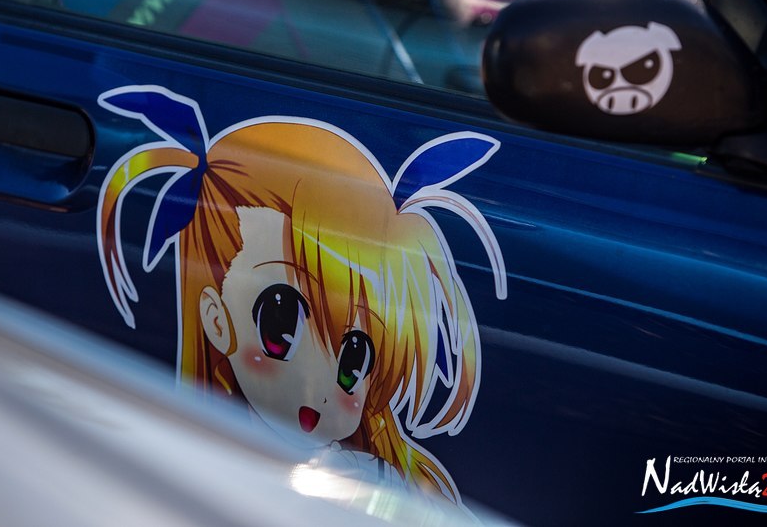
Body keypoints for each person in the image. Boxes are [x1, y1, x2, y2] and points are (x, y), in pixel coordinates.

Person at [97, 85, 506, 505]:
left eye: (354, 361)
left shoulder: (373, 479)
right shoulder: (185, 463)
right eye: (280, 326)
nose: (323, 387)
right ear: (217, 319)